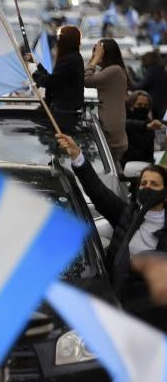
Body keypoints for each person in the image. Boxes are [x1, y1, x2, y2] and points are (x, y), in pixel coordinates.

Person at [57, 132, 167, 329]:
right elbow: (98, 192)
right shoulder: (127, 215)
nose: (147, 187)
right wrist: (77, 156)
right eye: (143, 183)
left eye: (154, 184)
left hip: (156, 314)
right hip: (119, 305)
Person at [84, 37, 130, 163]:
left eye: (97, 52)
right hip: (112, 131)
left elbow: (87, 80)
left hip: (112, 133)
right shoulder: (114, 71)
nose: (94, 55)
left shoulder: (114, 70)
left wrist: (95, 60)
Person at [30, 25, 84, 130]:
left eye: (59, 37)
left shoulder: (69, 60)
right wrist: (37, 65)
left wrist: (34, 73)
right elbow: (56, 79)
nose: (57, 41)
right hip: (65, 111)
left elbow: (51, 82)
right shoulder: (73, 58)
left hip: (64, 114)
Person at [125, 92, 162, 165]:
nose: (143, 107)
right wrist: (146, 126)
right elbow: (126, 124)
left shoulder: (152, 125)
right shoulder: (124, 122)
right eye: (139, 105)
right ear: (130, 106)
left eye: (146, 106)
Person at [134, 50, 167, 120]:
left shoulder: (152, 70)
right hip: (162, 102)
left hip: (155, 103)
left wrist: (129, 84)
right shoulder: (160, 70)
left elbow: (140, 86)